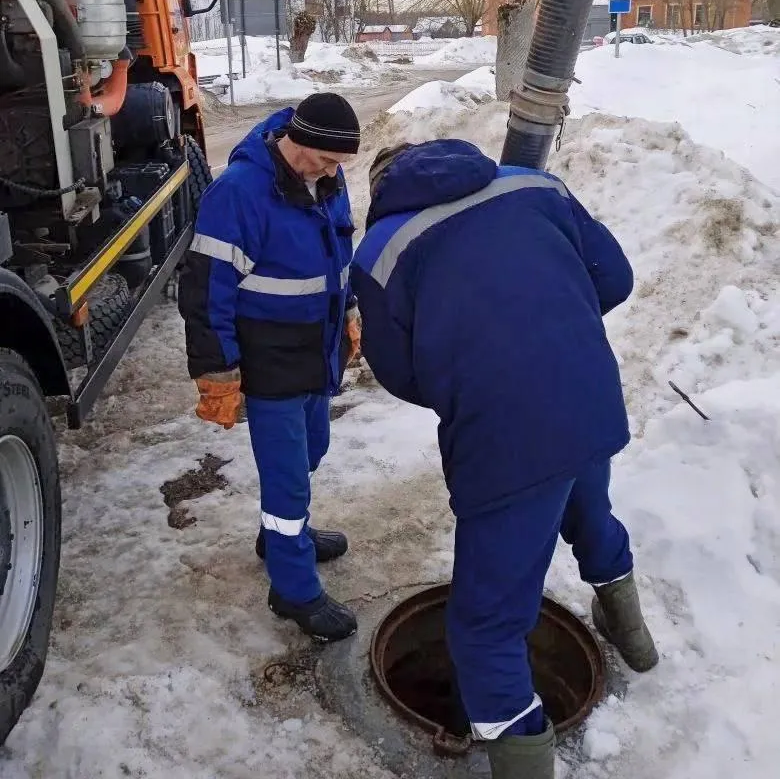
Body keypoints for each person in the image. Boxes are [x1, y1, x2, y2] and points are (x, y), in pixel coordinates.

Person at [350, 139, 658, 779]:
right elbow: (616, 277)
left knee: (485, 627)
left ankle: (522, 758)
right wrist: (548, 325)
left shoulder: (382, 250)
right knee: (588, 513)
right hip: (587, 396)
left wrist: (482, 359)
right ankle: (635, 639)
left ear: (381, 194)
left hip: (504, 438)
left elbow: (399, 373)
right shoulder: (533, 186)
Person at [178, 93, 362, 644]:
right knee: (287, 485)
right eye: (330, 159)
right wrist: (218, 370)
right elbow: (208, 291)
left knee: (313, 449)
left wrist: (348, 311)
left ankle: (279, 536)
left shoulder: (327, 180)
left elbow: (338, 256)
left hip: (316, 349)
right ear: (301, 143)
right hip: (269, 359)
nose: (337, 171)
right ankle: (294, 589)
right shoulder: (238, 194)